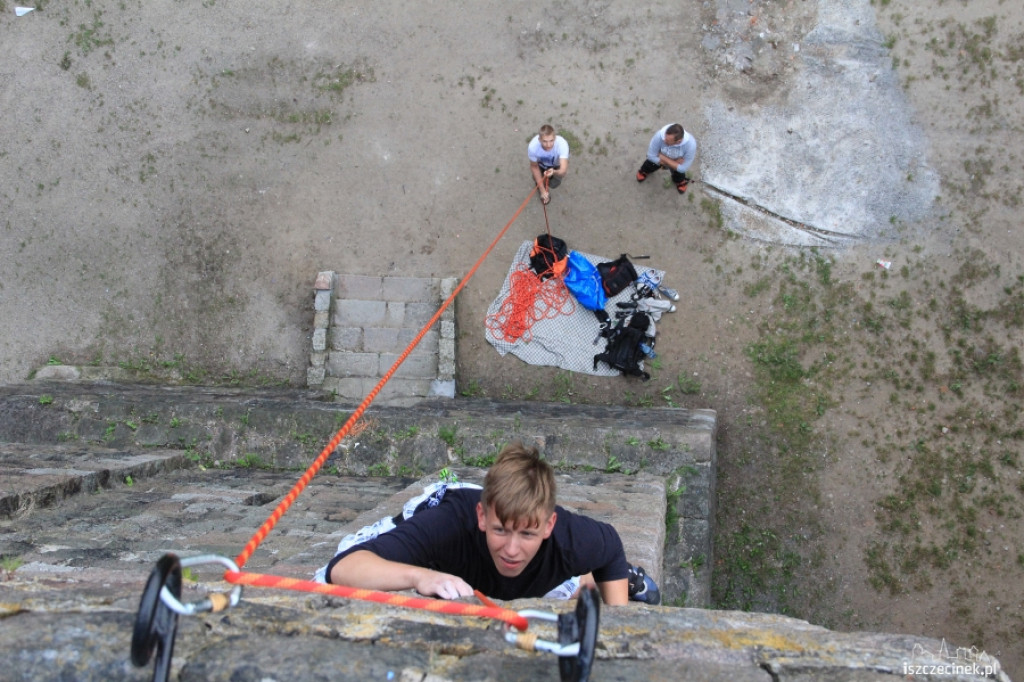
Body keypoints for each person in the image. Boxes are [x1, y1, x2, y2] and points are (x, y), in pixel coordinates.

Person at [321, 442, 660, 605]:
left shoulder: (573, 537)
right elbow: (343, 568)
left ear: (548, 525)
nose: (511, 549)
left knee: (575, 584)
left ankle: (628, 580)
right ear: (483, 518)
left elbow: (610, 547)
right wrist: (419, 575)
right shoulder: (447, 525)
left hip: (540, 573)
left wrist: (617, 622)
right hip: (451, 526)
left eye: (527, 533)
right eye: (501, 530)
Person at [636, 123, 697, 194]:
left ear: (678, 142)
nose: (664, 140)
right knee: (649, 164)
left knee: (679, 173)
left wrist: (662, 157)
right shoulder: (660, 136)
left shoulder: (690, 145)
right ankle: (644, 171)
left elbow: (683, 169)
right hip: (675, 162)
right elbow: (650, 156)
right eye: (665, 137)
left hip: (660, 157)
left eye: (667, 141)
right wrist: (675, 162)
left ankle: (679, 181)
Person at [528, 124, 570, 205]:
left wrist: (554, 172)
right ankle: (543, 189)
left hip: (556, 166)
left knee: (554, 184)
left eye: (551, 140)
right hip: (540, 165)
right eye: (545, 141)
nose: (548, 145)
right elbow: (534, 166)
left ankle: (546, 184)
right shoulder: (533, 147)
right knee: (537, 178)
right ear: (539, 139)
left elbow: (563, 170)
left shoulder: (562, 145)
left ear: (555, 138)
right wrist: (542, 191)